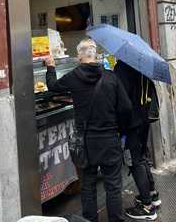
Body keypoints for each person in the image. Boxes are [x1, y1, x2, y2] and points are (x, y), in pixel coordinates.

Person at [45, 39, 132, 222]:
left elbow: (52, 87)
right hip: (110, 139)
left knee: (87, 186)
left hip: (85, 142)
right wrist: (120, 131)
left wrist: (51, 66)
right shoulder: (111, 77)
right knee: (113, 186)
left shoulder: (73, 76)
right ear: (96, 56)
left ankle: (90, 220)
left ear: (79, 57)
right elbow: (126, 108)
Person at [114, 60, 160, 221]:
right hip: (143, 119)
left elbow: (122, 101)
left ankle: (147, 206)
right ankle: (152, 194)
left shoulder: (122, 67)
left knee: (134, 161)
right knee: (141, 156)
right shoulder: (142, 65)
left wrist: (121, 127)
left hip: (131, 123)